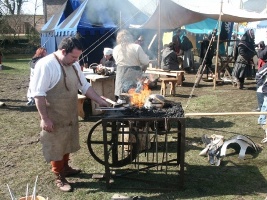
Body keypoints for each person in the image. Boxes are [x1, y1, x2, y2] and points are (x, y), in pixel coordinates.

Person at [30, 36, 109, 192]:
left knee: (67, 139)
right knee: (57, 144)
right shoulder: (46, 65)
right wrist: (45, 119)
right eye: (73, 56)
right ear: (63, 51)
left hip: (69, 112)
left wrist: (99, 100)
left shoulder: (74, 65)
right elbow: (38, 94)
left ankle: (65, 167)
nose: (75, 60)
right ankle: (59, 175)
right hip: (53, 114)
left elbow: (85, 86)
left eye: (77, 57)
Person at [113, 29, 149, 99]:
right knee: (135, 98)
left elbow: (117, 61)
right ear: (130, 37)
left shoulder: (115, 49)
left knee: (121, 99)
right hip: (134, 75)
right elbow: (145, 61)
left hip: (121, 76)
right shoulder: (136, 47)